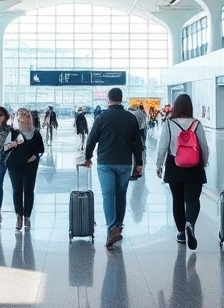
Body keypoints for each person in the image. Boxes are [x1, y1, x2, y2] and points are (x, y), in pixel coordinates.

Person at [84, 87, 144, 249]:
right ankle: (118, 226)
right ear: (121, 99)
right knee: (121, 195)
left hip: (105, 163)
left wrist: (88, 157)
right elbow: (138, 144)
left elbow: (91, 140)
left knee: (109, 195)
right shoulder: (130, 118)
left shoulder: (102, 117)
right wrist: (139, 163)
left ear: (108, 100)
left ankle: (112, 229)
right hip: (124, 163)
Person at [155, 93, 210, 250]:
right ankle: (190, 224)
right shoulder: (197, 124)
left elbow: (162, 146)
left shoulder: (169, 123)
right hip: (194, 166)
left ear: (176, 107)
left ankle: (181, 232)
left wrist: (159, 165)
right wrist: (203, 163)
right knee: (193, 199)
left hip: (175, 165)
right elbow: (204, 147)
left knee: (177, 200)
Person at [8, 108, 45, 231]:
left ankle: (27, 216)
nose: (24, 119)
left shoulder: (35, 133)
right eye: (21, 117)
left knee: (29, 190)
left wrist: (34, 156)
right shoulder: (12, 132)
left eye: (26, 117)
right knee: (17, 189)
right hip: (15, 165)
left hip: (30, 165)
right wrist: (12, 144)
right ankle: (19, 215)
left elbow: (40, 148)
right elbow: (5, 148)